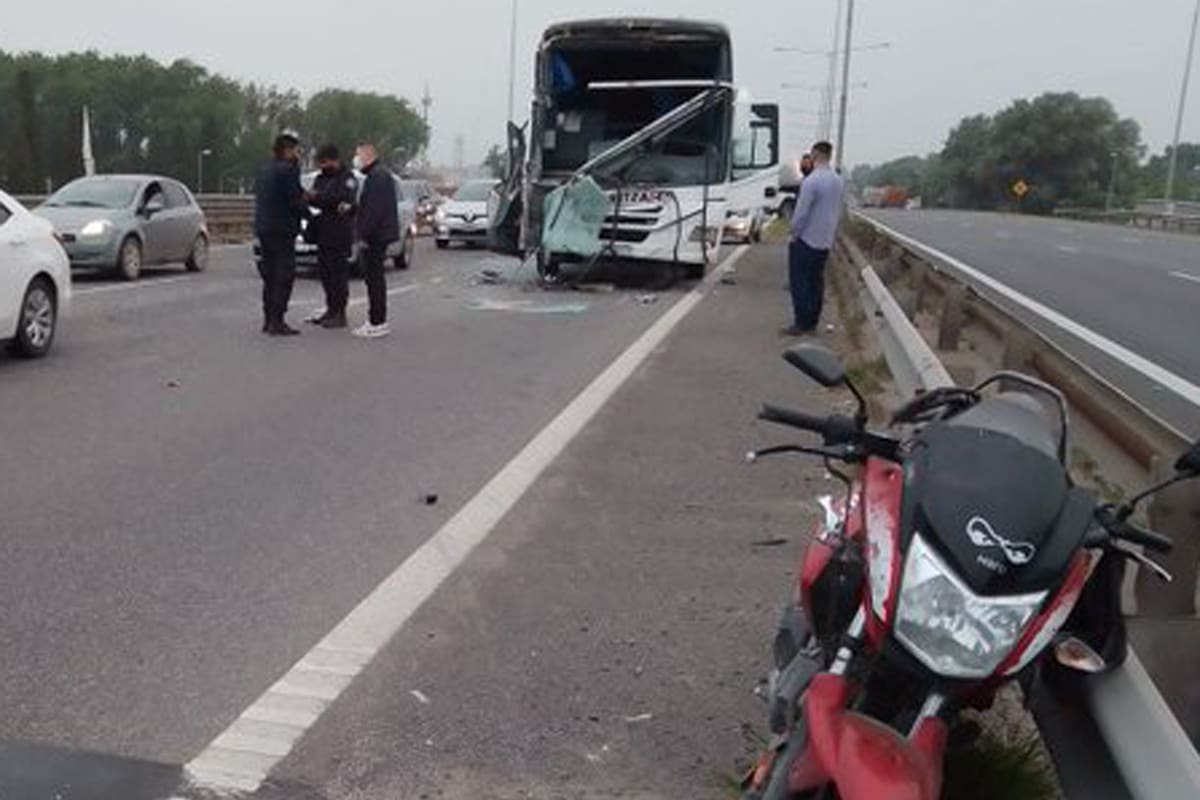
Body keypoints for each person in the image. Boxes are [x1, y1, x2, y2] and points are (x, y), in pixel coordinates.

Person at [784, 141, 845, 336]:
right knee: (816, 281)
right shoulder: (837, 181)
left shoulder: (811, 182)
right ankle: (812, 321)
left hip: (806, 238)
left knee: (800, 281)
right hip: (825, 239)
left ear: (815, 155)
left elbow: (801, 213)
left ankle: (801, 322)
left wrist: (793, 231)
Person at [254, 132, 308, 336]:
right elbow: (294, 200)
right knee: (283, 275)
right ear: (288, 150)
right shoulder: (288, 170)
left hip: (264, 228)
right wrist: (310, 216)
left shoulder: (264, 169)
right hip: (282, 229)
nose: (297, 154)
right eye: (295, 150)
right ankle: (278, 320)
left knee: (269, 275)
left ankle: (268, 319)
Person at [306, 144, 358, 329]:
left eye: (325, 162)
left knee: (338, 275)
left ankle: (340, 313)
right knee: (326, 274)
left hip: (340, 232)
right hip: (324, 232)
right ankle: (330, 309)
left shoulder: (348, 178)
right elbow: (313, 198)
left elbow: (344, 200)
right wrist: (323, 198)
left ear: (334, 160)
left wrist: (322, 197)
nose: (322, 166)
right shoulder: (321, 178)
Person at [352, 142, 399, 339]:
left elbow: (374, 210)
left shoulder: (378, 177)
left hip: (376, 236)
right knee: (373, 278)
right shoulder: (378, 175)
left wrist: (363, 235)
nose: (356, 159)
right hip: (380, 233)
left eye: (358, 155)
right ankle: (375, 320)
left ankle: (377, 321)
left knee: (374, 279)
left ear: (367, 155)